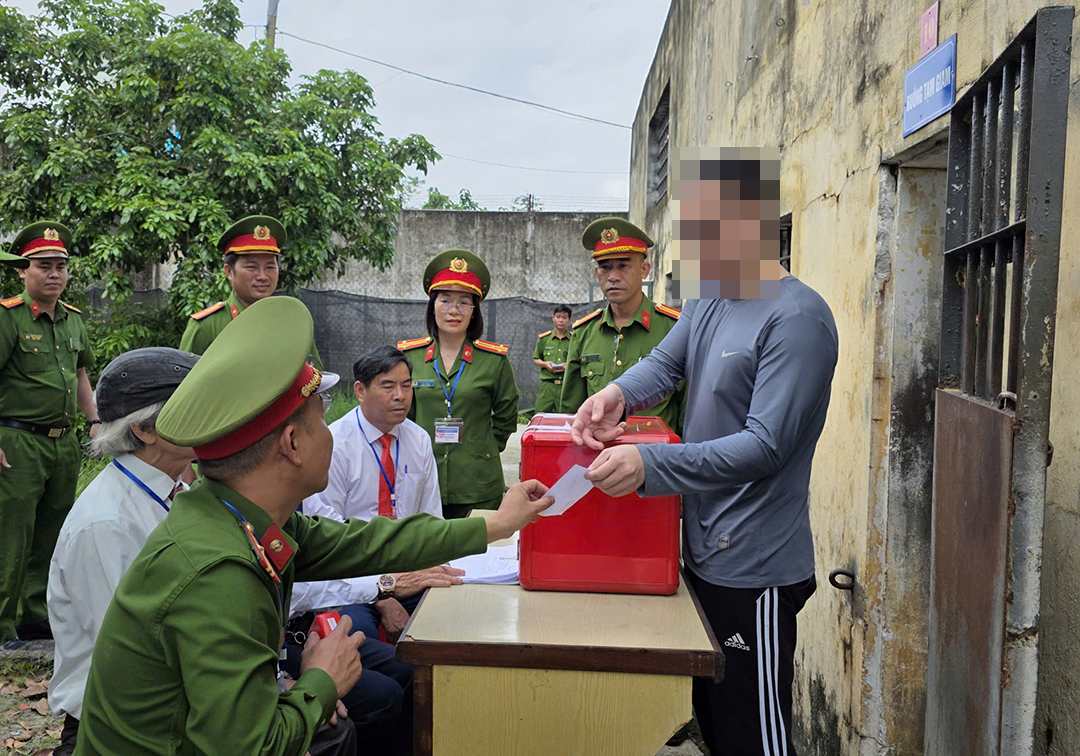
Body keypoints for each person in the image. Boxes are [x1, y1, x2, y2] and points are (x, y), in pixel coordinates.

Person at [75, 295, 552, 755]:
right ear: (292, 444)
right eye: (322, 422)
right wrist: (322, 682)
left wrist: (496, 526)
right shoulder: (219, 571)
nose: (333, 433)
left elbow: (372, 541)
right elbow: (250, 746)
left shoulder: (238, 515)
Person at [570, 149, 837, 756]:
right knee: (714, 723)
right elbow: (666, 363)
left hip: (756, 568)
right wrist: (613, 393)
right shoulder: (715, 296)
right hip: (702, 551)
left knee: (756, 733)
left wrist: (651, 466)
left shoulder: (797, 319)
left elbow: (765, 446)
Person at [291, 345, 463, 755]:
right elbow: (327, 538)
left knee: (454, 615)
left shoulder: (418, 439)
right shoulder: (334, 443)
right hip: (349, 573)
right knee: (362, 637)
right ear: (361, 391)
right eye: (388, 386)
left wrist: (434, 569)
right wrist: (383, 592)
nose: (400, 396)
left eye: (406, 386)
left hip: (408, 567)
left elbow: (431, 521)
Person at [47, 347, 198, 755]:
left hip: (163, 710)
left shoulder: (172, 492)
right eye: (193, 406)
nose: (211, 418)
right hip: (117, 730)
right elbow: (130, 651)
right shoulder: (107, 523)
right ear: (145, 430)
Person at [0, 221, 99, 642]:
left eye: (61, 265)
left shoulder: (73, 321)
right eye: (44, 265)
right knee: (11, 533)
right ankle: (3, 621)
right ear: (24, 271)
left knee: (52, 532)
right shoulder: (8, 318)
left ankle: (34, 613)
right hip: (17, 441)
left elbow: (80, 375)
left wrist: (95, 421)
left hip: (62, 444)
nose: (54, 273)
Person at [398, 249, 519, 519]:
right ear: (433, 306)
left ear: (474, 311)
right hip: (423, 477)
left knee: (480, 555)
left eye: (464, 302)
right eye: (445, 300)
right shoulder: (410, 357)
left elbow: (506, 417)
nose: (454, 310)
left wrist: (480, 449)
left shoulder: (494, 361)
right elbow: (404, 418)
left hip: (477, 481)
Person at [559, 217, 683, 432]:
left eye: (623, 266)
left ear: (644, 269)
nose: (613, 276)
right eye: (605, 267)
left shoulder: (673, 328)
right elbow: (572, 409)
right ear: (596, 273)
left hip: (654, 459)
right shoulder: (585, 332)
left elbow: (686, 406)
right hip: (597, 456)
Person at [179, 214, 322, 367]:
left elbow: (315, 380)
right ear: (228, 271)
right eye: (251, 267)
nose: (262, 276)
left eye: (270, 267)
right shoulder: (207, 326)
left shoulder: (294, 324)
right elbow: (183, 385)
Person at [531, 304, 572, 413]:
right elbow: (535, 358)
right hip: (547, 386)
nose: (561, 320)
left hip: (566, 386)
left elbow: (578, 359)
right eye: (558, 317)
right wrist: (545, 364)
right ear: (553, 318)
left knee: (565, 417)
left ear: (569, 320)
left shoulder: (574, 340)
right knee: (541, 414)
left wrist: (568, 365)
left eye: (564, 317)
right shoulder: (544, 339)